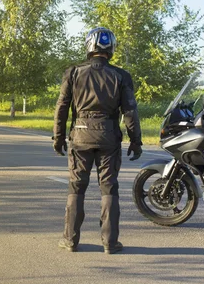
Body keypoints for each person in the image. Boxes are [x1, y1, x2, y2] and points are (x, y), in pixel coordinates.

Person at [53, 27, 142, 254]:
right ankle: (110, 243)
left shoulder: (73, 72)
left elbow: (62, 107)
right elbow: (130, 112)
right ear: (110, 48)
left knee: (76, 187)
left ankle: (70, 240)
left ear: (89, 46)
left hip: (80, 136)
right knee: (109, 189)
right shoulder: (121, 76)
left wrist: (59, 136)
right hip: (109, 138)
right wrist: (136, 141)